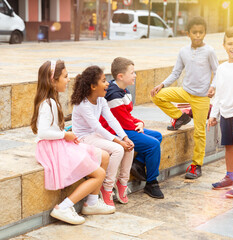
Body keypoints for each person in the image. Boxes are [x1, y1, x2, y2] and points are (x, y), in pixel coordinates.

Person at [31, 60, 115, 225]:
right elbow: (42, 132)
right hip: (52, 148)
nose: (68, 79)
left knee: (104, 156)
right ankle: (63, 207)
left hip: (57, 143)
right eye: (65, 76)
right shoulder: (49, 103)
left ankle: (91, 203)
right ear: (52, 81)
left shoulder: (52, 100)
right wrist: (64, 135)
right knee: (99, 174)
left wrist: (65, 135)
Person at [151, 16, 218, 179]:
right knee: (157, 96)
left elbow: (217, 71)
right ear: (188, 33)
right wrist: (162, 84)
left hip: (201, 98)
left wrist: (213, 86)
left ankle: (196, 165)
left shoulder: (209, 51)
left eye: (201, 32)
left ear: (205, 33)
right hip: (184, 92)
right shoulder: (183, 51)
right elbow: (176, 72)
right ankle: (180, 117)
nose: (197, 36)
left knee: (200, 132)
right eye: (194, 32)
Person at [100, 57, 164, 199]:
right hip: (115, 131)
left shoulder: (124, 90)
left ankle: (139, 163)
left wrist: (140, 123)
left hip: (124, 127)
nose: (135, 75)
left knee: (157, 136)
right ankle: (152, 182)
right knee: (153, 144)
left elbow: (127, 116)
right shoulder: (113, 94)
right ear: (120, 76)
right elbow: (123, 122)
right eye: (132, 73)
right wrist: (138, 124)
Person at [71, 66, 135, 208]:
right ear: (93, 86)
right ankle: (106, 188)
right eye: (104, 81)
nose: (107, 84)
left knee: (130, 146)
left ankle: (122, 182)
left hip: (95, 135)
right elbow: (96, 127)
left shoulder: (101, 100)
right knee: (118, 149)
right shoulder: (83, 104)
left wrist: (125, 138)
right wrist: (118, 141)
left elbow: (111, 119)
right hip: (83, 138)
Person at [207, 26, 233, 198]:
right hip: (225, 114)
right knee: (229, 147)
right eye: (230, 43)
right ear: (224, 45)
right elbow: (218, 93)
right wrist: (213, 115)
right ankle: (230, 177)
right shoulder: (222, 68)